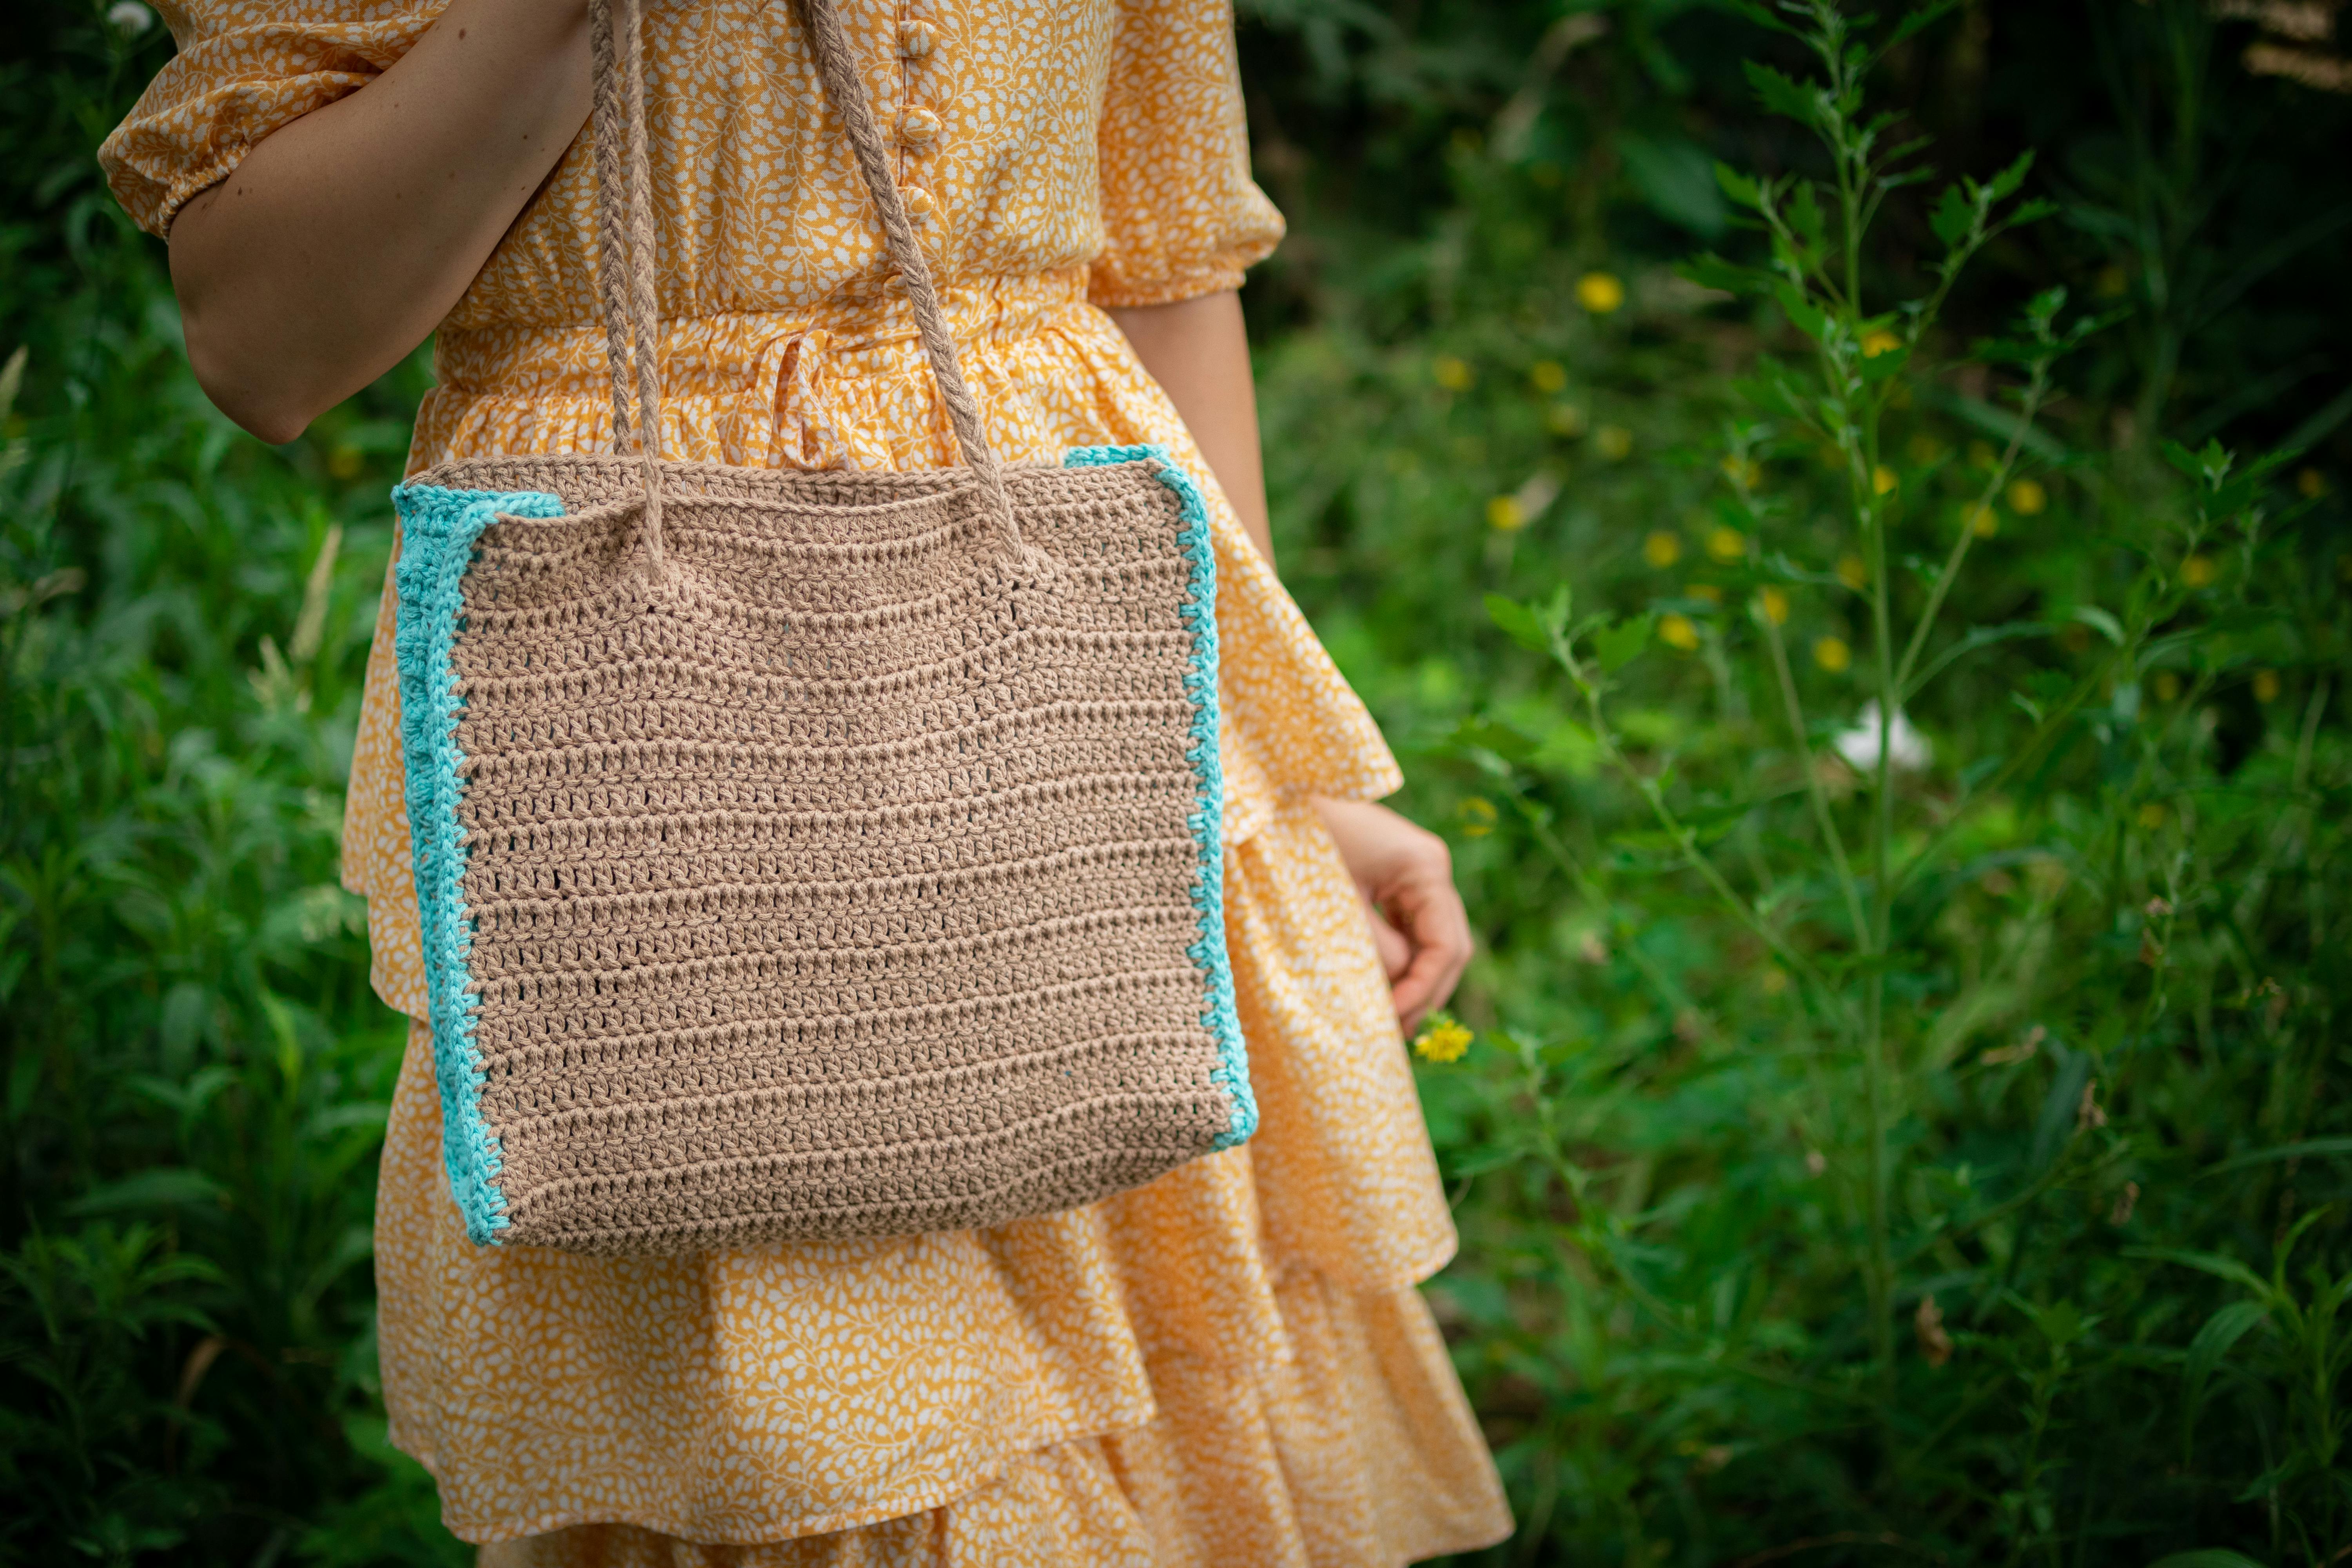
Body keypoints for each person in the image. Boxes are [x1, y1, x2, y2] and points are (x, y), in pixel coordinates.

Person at [102, 0, 1513, 1560]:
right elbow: (261, 345)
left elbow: (1164, 271)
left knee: (1174, 1390)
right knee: (820, 1446)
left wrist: (1290, 775)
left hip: (1080, 726)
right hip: (670, 760)